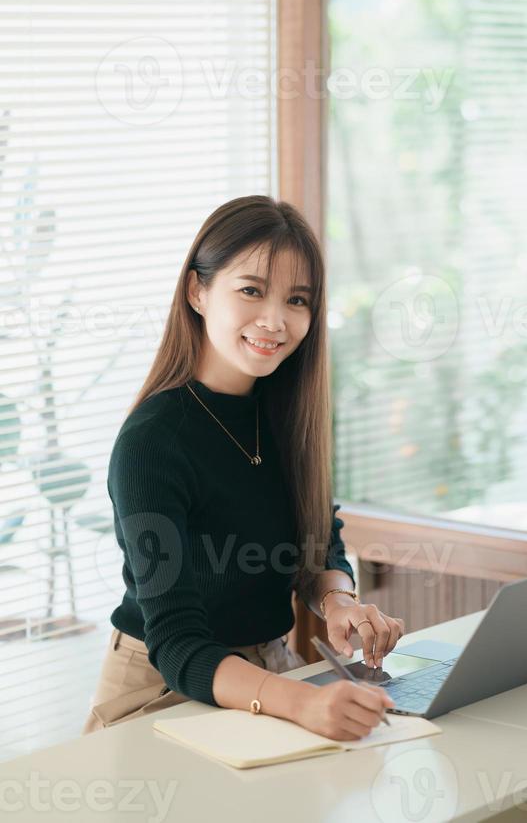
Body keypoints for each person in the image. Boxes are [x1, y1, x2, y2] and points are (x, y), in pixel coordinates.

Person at [82, 195, 404, 740]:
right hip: (163, 686)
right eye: (251, 290)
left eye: (297, 299)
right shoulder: (150, 444)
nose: (275, 321)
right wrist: (300, 702)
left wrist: (339, 601)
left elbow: (319, 542)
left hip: (270, 669)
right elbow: (179, 646)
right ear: (198, 291)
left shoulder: (288, 416)